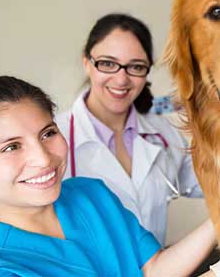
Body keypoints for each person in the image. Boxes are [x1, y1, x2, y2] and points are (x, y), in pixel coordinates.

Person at [0, 76, 218, 277]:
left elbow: (153, 269)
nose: (44, 159)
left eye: (47, 134)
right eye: (11, 147)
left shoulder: (89, 194)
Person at [56, 13, 202, 245]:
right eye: (108, 63)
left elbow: (212, 182)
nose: (122, 79)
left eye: (136, 66)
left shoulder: (163, 134)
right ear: (87, 63)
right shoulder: (56, 139)